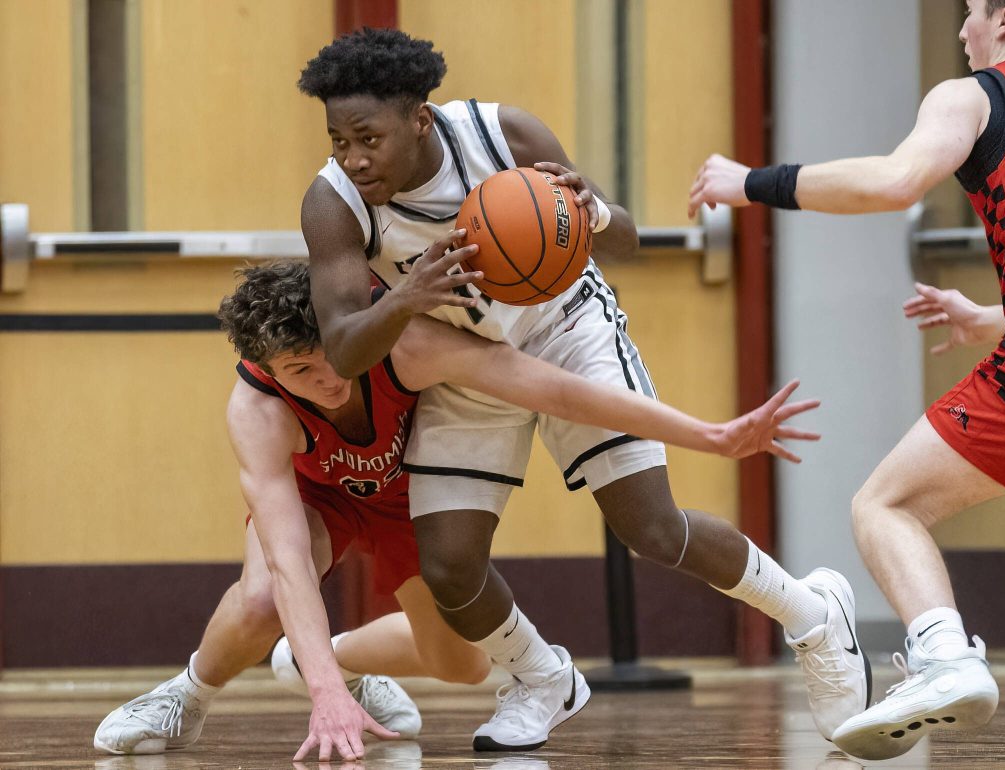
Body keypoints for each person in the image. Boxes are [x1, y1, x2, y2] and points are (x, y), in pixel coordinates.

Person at [297, 28, 870, 753]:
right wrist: (405, 298)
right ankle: (541, 678)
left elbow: (625, 239)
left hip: (568, 327)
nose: (353, 156)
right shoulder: (334, 203)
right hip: (469, 358)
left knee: (651, 529)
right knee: (447, 563)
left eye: (367, 137)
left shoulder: (502, 135)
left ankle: (813, 615)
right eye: (339, 139)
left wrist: (590, 212)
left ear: (418, 118)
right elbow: (345, 348)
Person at [94, 261, 822, 763]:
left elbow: (548, 388)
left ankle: (334, 661)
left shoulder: (401, 345)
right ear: (266, 370)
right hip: (322, 501)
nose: (326, 382)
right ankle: (186, 696)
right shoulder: (255, 410)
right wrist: (323, 703)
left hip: (414, 493)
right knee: (261, 599)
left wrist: (705, 433)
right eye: (299, 374)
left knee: (463, 666)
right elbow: (288, 562)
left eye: (328, 358)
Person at [687, 0, 1005, 759]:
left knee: (887, 503)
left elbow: (896, 180)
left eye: (969, 12)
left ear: (1003, 18)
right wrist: (994, 314)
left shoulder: (972, 95)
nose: (963, 30)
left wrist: (751, 183)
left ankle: (943, 657)